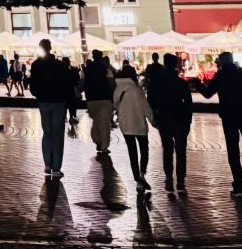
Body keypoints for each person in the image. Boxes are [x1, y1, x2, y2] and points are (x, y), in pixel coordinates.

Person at [203, 51, 242, 195]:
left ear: (221, 62)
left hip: (229, 117)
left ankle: (239, 185)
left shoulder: (221, 76)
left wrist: (198, 85)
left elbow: (208, 94)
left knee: (233, 151)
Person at [28, 38, 76, 180]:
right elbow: (67, 84)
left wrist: (38, 95)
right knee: (57, 134)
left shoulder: (36, 65)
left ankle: (47, 164)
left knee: (47, 132)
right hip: (58, 102)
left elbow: (32, 84)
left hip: (43, 101)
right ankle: (56, 167)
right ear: (50, 48)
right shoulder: (60, 65)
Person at [146, 53, 193, 192]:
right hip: (180, 118)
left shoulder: (156, 82)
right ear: (175, 65)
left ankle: (168, 177)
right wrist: (188, 121)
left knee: (167, 149)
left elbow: (150, 100)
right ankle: (181, 180)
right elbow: (188, 103)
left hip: (164, 118)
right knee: (181, 150)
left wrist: (154, 116)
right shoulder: (180, 82)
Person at [112, 61, 153, 190]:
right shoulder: (137, 89)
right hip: (139, 124)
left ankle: (137, 179)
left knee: (132, 152)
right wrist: (153, 120)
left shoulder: (117, 88)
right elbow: (146, 108)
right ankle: (142, 174)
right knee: (144, 150)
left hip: (125, 124)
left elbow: (114, 104)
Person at [82, 50, 115, 156]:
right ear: (101, 58)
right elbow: (111, 83)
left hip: (91, 99)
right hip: (104, 99)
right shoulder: (106, 69)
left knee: (96, 121)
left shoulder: (88, 69)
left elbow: (84, 82)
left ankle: (97, 139)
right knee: (104, 124)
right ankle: (104, 146)